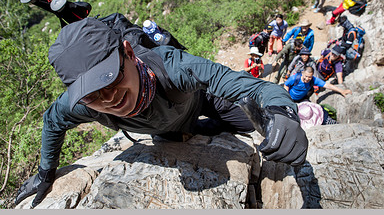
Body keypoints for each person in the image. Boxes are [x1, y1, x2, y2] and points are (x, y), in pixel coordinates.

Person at [14, 16, 308, 208]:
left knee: (254, 123)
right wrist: (44, 174)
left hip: (203, 100)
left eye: (111, 78)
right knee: (188, 136)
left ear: (129, 53)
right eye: (93, 94)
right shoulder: (81, 106)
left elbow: (243, 85)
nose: (110, 98)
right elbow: (52, 122)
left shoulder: (172, 67)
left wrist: (281, 112)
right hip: (167, 130)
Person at [284, 66, 352, 103]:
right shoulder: (295, 78)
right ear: (302, 73)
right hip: (290, 98)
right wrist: (286, 98)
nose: (307, 79)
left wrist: (341, 91)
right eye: (306, 76)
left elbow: (327, 85)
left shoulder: (313, 80)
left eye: (309, 77)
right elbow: (286, 84)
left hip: (302, 99)